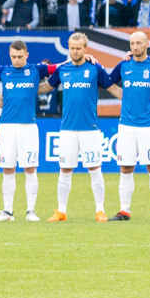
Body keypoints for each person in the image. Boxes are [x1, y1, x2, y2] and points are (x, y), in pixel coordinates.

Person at [46, 31, 115, 221]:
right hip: (67, 128)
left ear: (85, 49)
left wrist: (133, 100)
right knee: (65, 170)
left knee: (95, 168)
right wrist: (27, 88)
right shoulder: (63, 69)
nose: (74, 51)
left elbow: (112, 87)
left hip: (90, 128)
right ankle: (61, 211)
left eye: (78, 48)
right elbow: (47, 87)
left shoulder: (95, 69)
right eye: (72, 48)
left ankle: (100, 210)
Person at [0, 40, 54, 221]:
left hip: (28, 126)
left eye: (19, 57)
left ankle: (31, 211)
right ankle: (7, 212)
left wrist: (85, 58)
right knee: (7, 169)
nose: (16, 60)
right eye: (13, 57)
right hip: (7, 126)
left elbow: (60, 67)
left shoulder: (36, 70)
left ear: (27, 55)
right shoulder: (2, 72)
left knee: (30, 168)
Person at [109, 29, 150, 221]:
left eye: (138, 43)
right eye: (132, 43)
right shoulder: (123, 66)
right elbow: (108, 83)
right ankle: (124, 211)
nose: (135, 47)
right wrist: (124, 96)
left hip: (149, 125)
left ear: (147, 44)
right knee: (126, 168)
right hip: (126, 125)